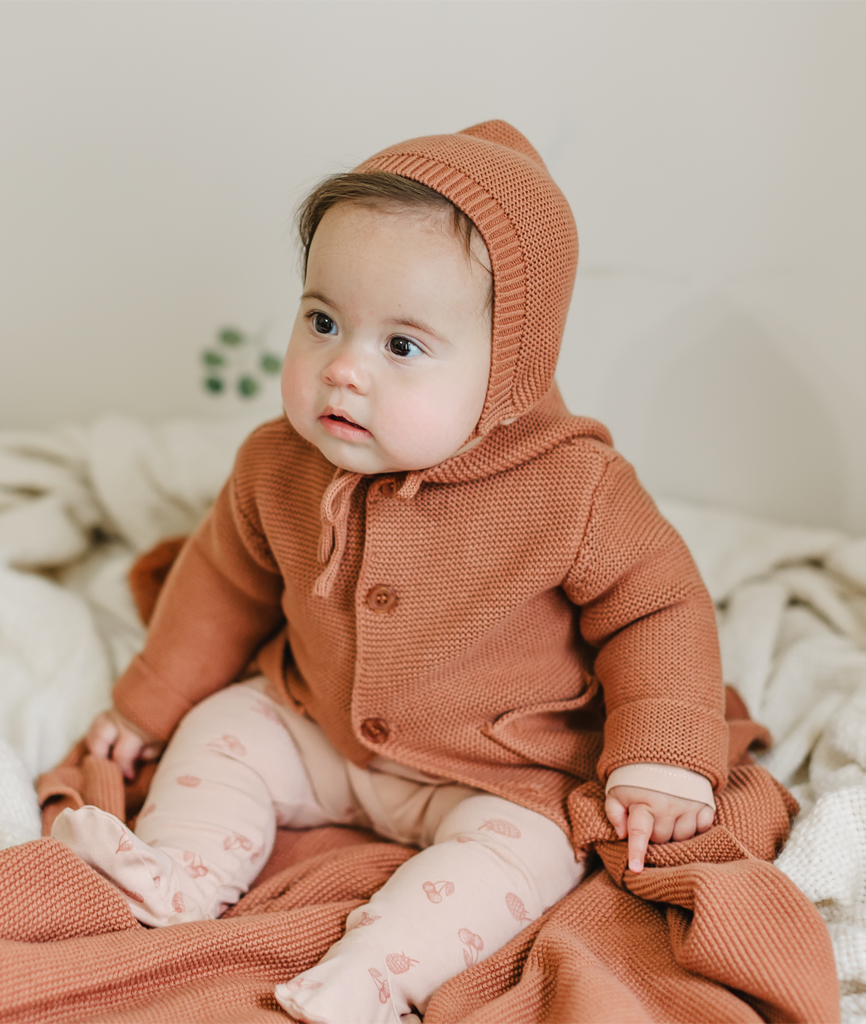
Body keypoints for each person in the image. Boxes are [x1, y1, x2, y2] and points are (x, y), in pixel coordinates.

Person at [53, 121, 726, 1024]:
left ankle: (378, 971)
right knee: (224, 730)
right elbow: (222, 583)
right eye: (323, 320)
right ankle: (183, 878)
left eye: (401, 347)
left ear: (510, 372)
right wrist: (146, 703)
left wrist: (660, 757)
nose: (342, 371)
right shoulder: (276, 465)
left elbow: (660, 610)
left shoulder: (575, 491)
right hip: (320, 726)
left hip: (501, 769)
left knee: (524, 857)